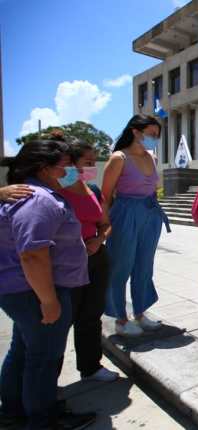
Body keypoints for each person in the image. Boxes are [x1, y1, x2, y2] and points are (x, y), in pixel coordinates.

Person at [0, 140, 97, 429]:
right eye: (66, 164)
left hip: (27, 290)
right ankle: (42, 420)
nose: (72, 169)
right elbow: (32, 254)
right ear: (44, 169)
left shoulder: (35, 194)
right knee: (43, 358)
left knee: (23, 349)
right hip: (36, 291)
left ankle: (14, 410)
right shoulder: (38, 199)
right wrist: (49, 300)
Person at [57, 139, 120, 383]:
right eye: (87, 162)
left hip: (95, 258)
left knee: (91, 314)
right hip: (66, 262)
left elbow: (105, 224)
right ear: (69, 163)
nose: (92, 166)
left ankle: (90, 366)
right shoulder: (53, 189)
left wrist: (99, 240)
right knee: (61, 321)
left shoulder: (92, 190)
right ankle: (47, 379)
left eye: (94, 162)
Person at [101, 114, 170, 336]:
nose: (154, 138)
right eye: (151, 134)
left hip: (150, 214)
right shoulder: (119, 158)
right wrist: (104, 225)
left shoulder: (152, 158)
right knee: (121, 266)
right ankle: (121, 318)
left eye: (157, 135)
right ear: (135, 131)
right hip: (125, 213)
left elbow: (153, 189)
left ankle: (140, 312)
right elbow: (105, 195)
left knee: (144, 266)